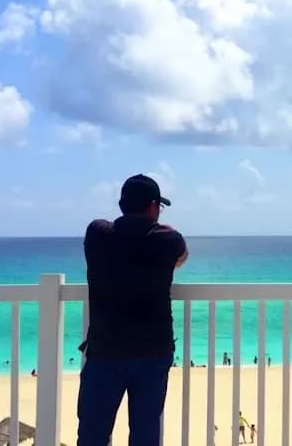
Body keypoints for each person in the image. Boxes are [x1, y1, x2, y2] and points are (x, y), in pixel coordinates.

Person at [76, 174, 188, 446]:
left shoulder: (97, 233)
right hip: (153, 352)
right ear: (153, 206)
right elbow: (181, 257)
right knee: (145, 436)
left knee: (92, 435)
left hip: (105, 350)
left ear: (122, 204)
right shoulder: (169, 239)